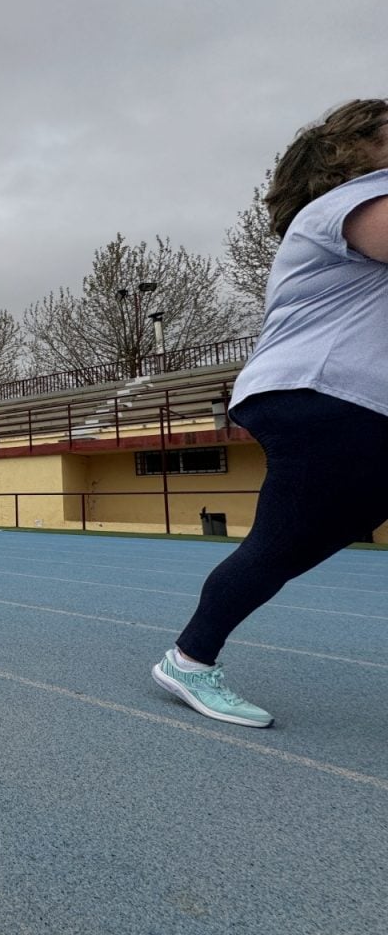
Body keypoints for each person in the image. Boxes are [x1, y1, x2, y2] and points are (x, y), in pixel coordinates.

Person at [152, 98, 388, 729]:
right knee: (277, 546)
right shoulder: (345, 202)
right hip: (324, 396)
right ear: (349, 151)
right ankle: (189, 660)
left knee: (285, 548)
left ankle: (190, 656)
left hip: (355, 404)